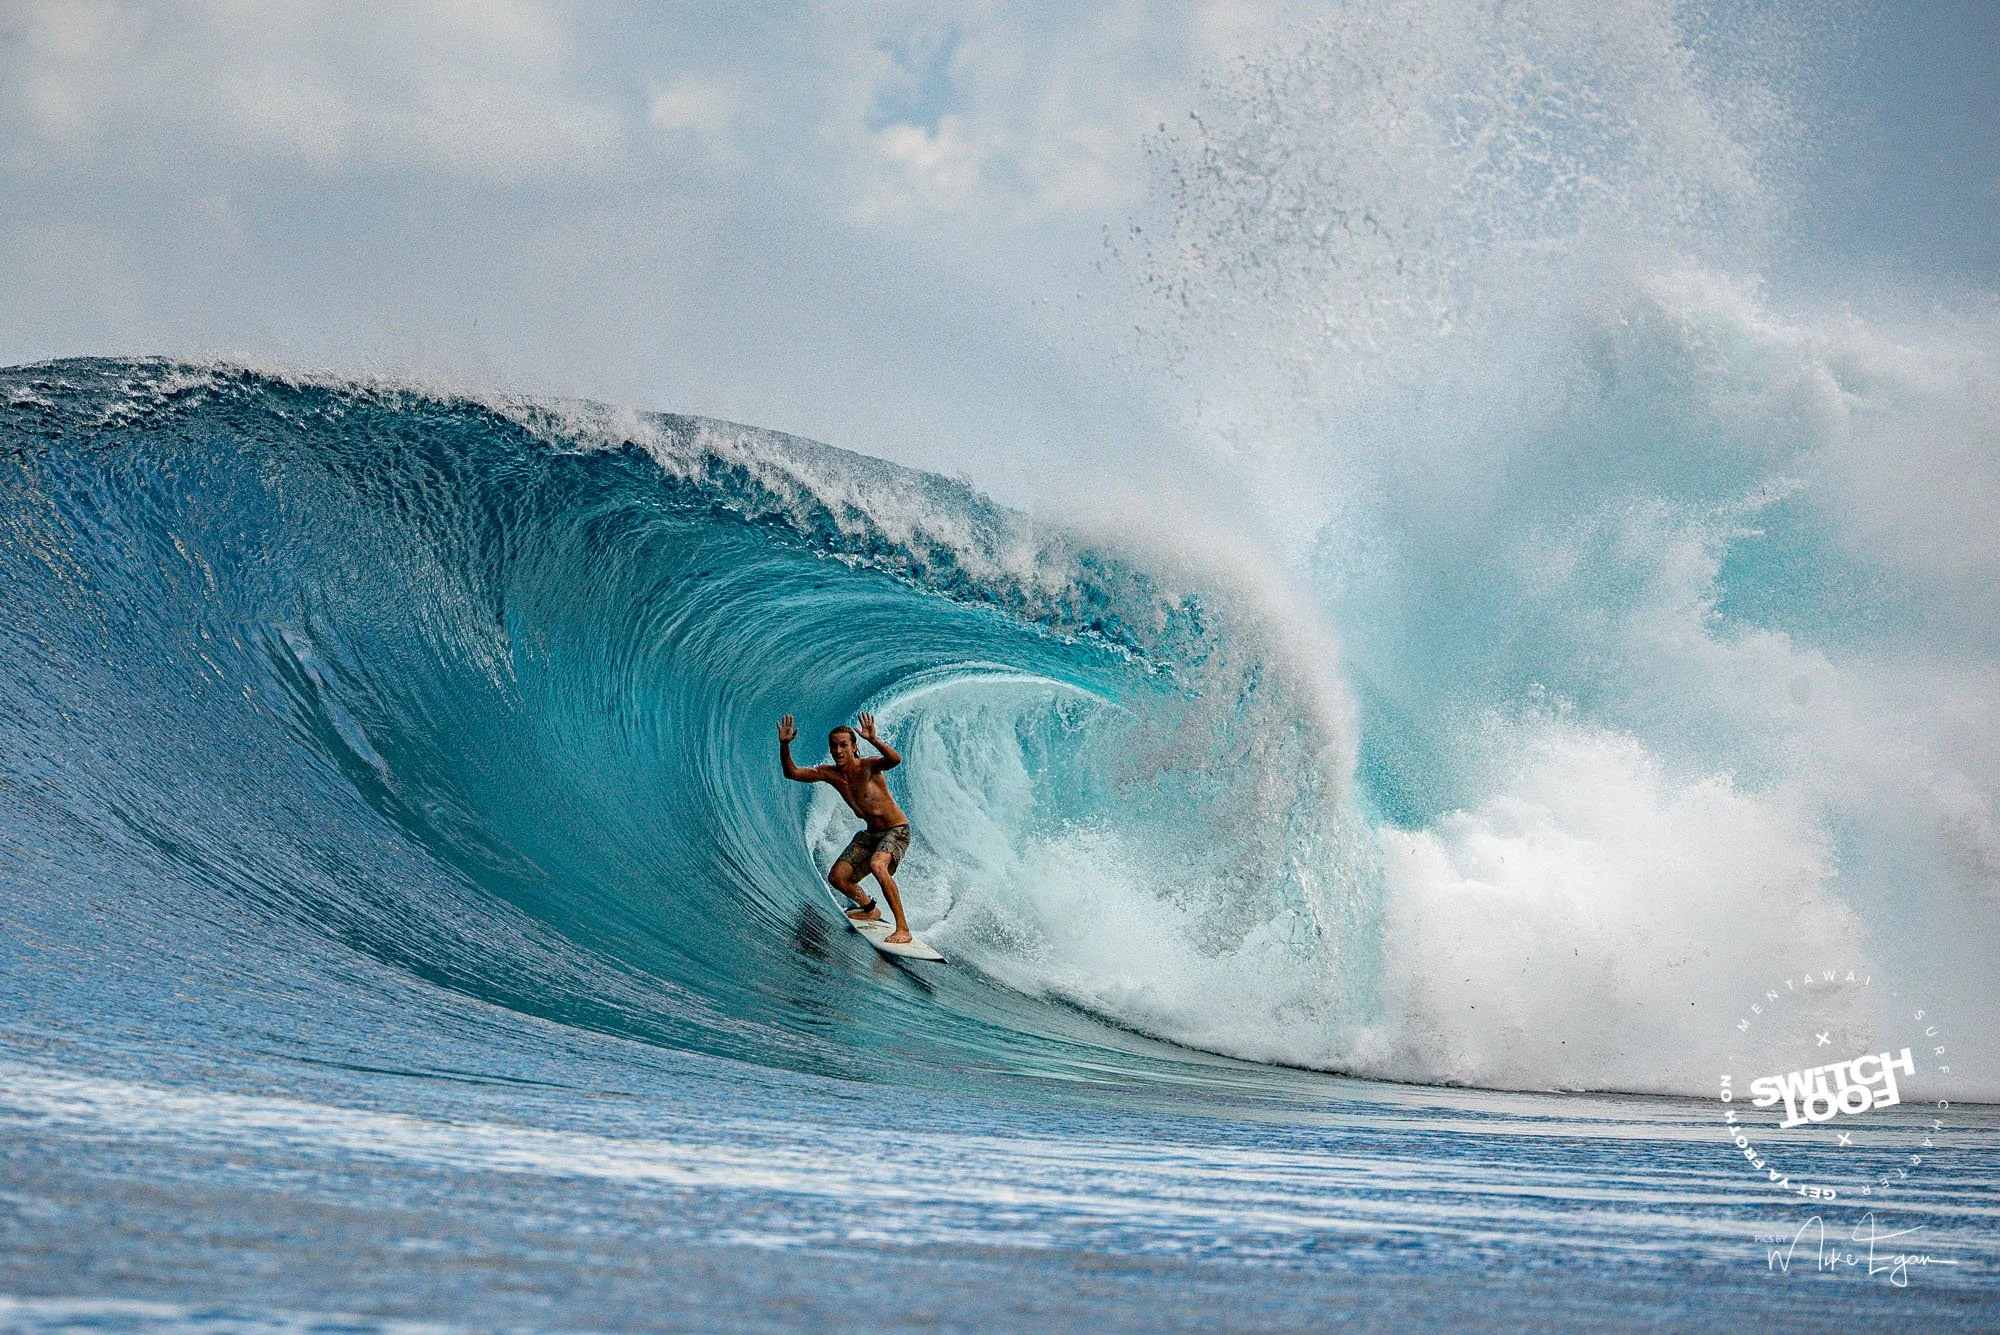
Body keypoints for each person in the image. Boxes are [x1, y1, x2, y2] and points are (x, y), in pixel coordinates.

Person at [778, 712, 917, 944]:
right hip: (871, 834)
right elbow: (791, 773)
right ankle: (869, 908)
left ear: (854, 746)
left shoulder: (869, 766)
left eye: (844, 745)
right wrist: (785, 745)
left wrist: (874, 740)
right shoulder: (829, 774)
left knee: (877, 865)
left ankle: (903, 928)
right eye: (834, 746)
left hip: (896, 830)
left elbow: (895, 760)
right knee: (838, 877)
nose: (838, 751)